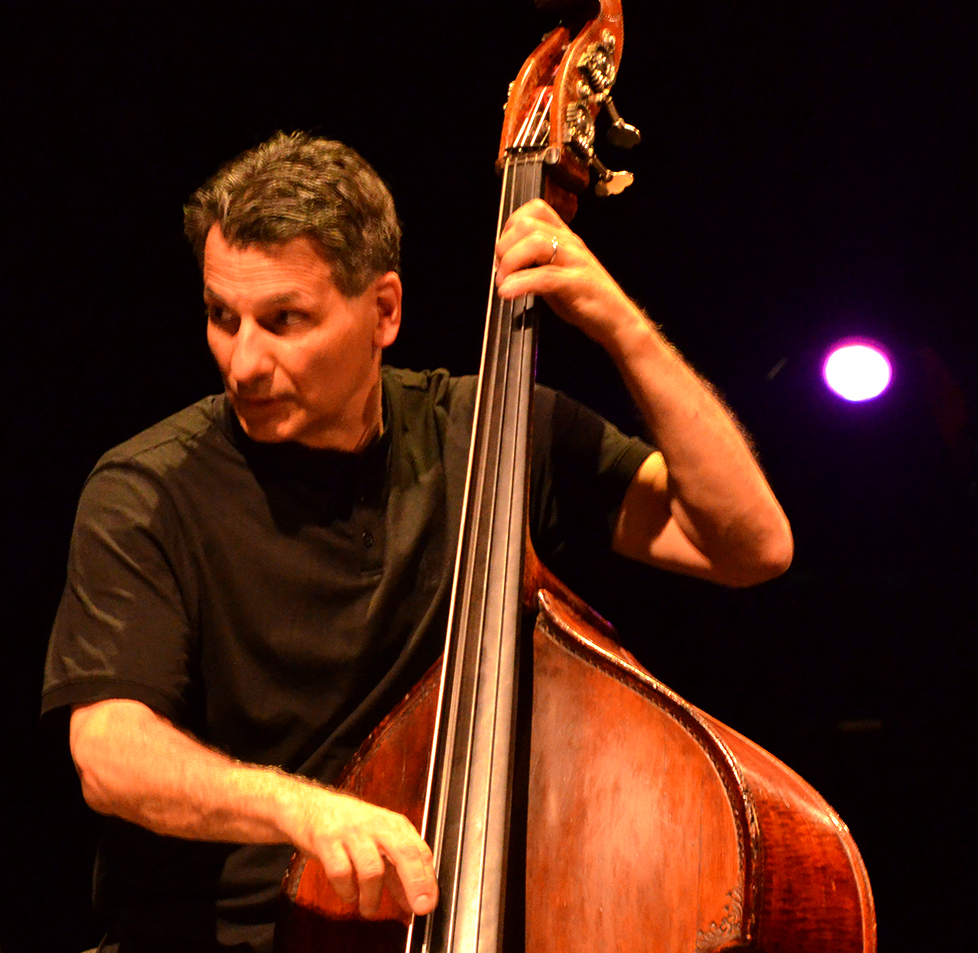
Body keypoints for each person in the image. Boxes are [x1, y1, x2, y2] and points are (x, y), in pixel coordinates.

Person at [41, 132, 791, 952]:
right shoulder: (149, 488)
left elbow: (750, 544)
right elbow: (110, 753)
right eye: (224, 318)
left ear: (384, 311)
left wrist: (620, 327)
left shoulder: (490, 436)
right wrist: (302, 809)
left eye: (285, 320)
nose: (244, 362)